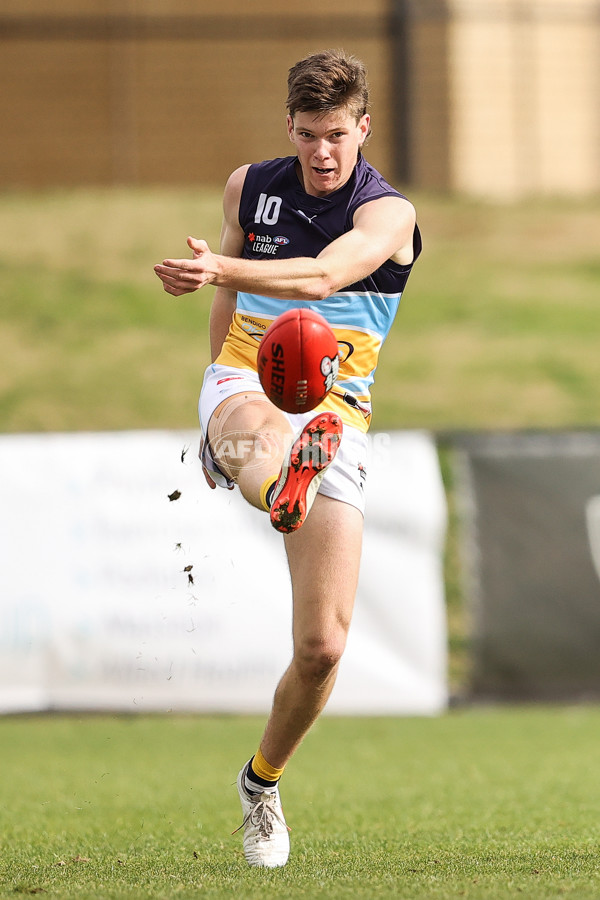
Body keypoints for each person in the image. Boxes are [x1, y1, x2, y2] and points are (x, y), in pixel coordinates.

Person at [154, 48, 422, 868]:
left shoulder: (389, 215)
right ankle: (265, 473)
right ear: (290, 127)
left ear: (364, 128)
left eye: (337, 135)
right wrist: (212, 379)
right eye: (308, 135)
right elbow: (235, 298)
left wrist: (214, 267)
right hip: (249, 376)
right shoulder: (251, 187)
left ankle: (261, 783)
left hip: (337, 410)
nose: (322, 153)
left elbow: (320, 277)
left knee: (323, 649)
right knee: (256, 433)